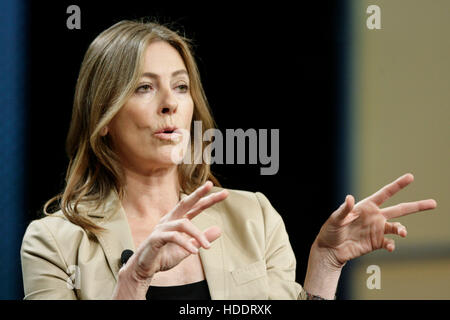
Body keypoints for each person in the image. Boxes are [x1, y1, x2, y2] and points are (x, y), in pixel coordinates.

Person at [20, 19, 437, 300]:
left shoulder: (251, 215)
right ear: (103, 117)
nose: (170, 105)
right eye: (144, 88)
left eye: (181, 87)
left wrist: (325, 265)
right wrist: (135, 279)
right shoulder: (54, 243)